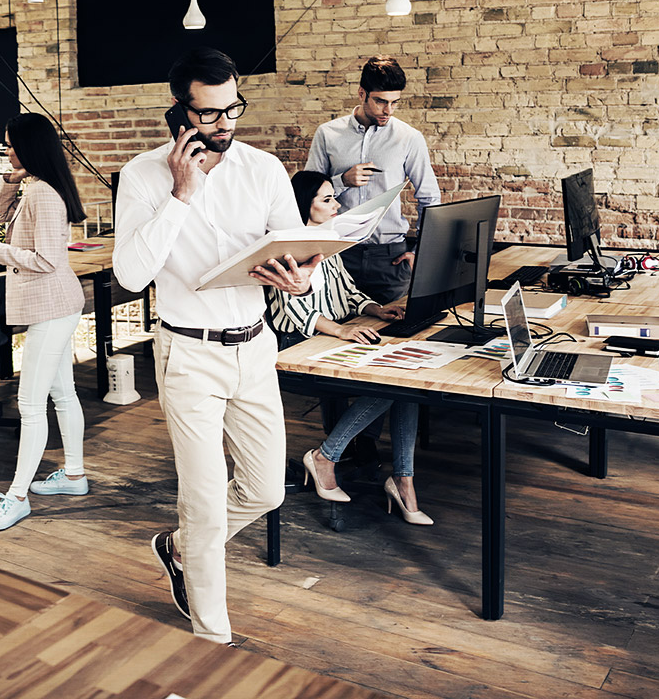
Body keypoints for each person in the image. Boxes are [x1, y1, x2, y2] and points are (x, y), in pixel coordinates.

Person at [114, 46, 318, 644]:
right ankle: (213, 641)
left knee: (264, 487)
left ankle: (178, 549)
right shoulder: (142, 176)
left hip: (256, 346)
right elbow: (129, 275)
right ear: (179, 113)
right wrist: (181, 193)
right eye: (209, 114)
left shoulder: (263, 169)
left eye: (233, 108)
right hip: (187, 353)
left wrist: (301, 275)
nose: (226, 124)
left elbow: (295, 247)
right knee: (203, 499)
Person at [267, 171, 432, 524]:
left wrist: (376, 309)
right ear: (303, 206)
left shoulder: (328, 242)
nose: (337, 204)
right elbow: (294, 310)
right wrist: (341, 331)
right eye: (327, 199)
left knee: (408, 380)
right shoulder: (284, 249)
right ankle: (326, 456)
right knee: (392, 380)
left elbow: (349, 293)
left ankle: (403, 478)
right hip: (296, 343)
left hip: (329, 336)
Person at [0, 113, 90, 531]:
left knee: (31, 404)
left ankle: (16, 498)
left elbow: (47, 260)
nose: (7, 151)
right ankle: (73, 476)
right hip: (54, 306)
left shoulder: (45, 195)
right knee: (62, 392)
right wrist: (11, 179)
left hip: (52, 307)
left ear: (30, 147)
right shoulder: (30, 188)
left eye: (12, 144)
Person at [305, 55, 441, 303]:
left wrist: (420, 252)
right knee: (334, 334)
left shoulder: (409, 138)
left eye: (395, 102)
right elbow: (307, 194)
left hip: (390, 259)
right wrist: (342, 181)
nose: (388, 110)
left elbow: (429, 198)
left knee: (393, 331)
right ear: (361, 94)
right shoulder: (327, 134)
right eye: (380, 101)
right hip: (337, 254)